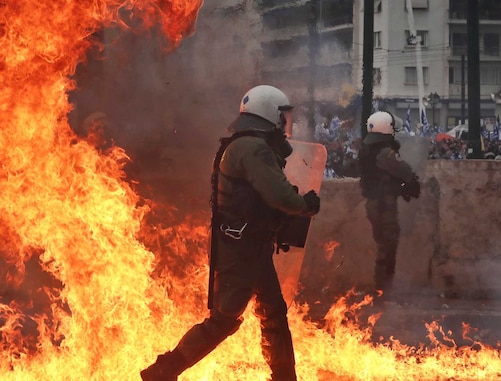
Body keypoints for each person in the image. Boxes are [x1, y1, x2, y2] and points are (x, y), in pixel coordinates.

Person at [141, 85, 321, 381]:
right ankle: (162, 372)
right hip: (242, 249)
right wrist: (305, 205)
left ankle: (284, 377)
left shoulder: (249, 144)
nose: (285, 123)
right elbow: (279, 196)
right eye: (281, 116)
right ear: (268, 115)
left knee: (274, 314)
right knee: (224, 320)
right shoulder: (252, 147)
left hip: (251, 246)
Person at [358, 111, 420, 293]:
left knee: (382, 243)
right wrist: (411, 182)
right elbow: (403, 170)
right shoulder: (385, 153)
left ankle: (382, 284)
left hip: (373, 202)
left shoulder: (366, 149)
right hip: (384, 204)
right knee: (388, 243)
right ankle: (384, 286)